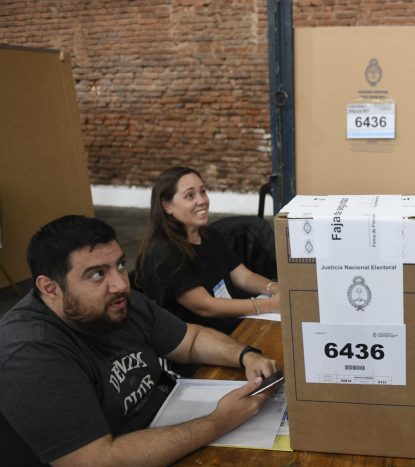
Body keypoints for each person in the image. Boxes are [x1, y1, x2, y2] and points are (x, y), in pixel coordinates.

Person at [0, 215, 277, 466]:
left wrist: (246, 356)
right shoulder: (30, 351)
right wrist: (219, 421)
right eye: (97, 274)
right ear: (50, 288)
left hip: (168, 420)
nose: (120, 284)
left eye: (120, 265)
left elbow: (190, 339)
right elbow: (96, 460)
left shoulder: (115, 302)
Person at [135, 166, 279, 336]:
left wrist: (274, 288)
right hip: (200, 343)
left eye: (203, 192)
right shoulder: (163, 254)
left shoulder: (209, 234)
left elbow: (243, 276)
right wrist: (268, 305)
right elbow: (206, 306)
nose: (202, 200)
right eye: (190, 195)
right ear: (167, 206)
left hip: (231, 325)